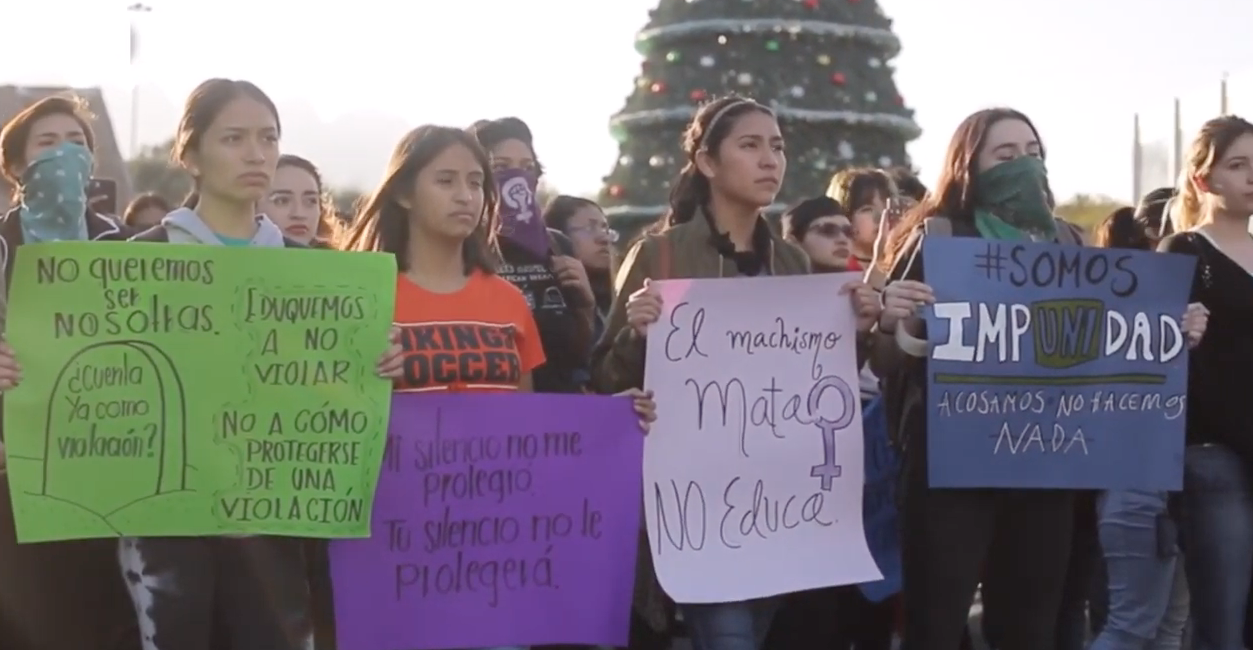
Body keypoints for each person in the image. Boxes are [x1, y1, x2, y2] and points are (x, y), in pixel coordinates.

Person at [872, 107, 1203, 650]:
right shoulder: (940, 238)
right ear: (968, 167)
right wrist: (891, 317)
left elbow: (1109, 341)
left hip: (1044, 466)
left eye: (1033, 153)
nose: (1024, 166)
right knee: (935, 622)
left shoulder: (1070, 246)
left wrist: (1172, 328)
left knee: (1028, 628)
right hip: (949, 466)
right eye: (1005, 155)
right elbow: (889, 360)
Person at [337, 124, 654, 650]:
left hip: (494, 553)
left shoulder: (507, 301)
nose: (466, 196)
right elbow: (332, 422)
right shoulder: (365, 297)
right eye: (445, 180)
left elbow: (524, 428)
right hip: (399, 552)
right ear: (402, 192)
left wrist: (608, 421)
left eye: (475, 182)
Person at [113, 78, 401, 650]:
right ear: (189, 155)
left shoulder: (319, 272)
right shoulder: (136, 262)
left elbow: (337, 397)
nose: (256, 154)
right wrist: (27, 369)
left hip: (276, 521)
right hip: (165, 525)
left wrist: (378, 363)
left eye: (268, 138)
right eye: (234, 138)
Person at [592, 95, 880, 650]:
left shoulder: (793, 263)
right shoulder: (660, 256)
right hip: (696, 513)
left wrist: (859, 331)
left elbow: (819, 389)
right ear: (706, 161)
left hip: (780, 506)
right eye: (750, 146)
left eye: (777, 147)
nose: (770, 160)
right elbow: (605, 378)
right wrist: (636, 334)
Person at [0, 93, 137, 650]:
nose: (65, 154)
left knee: (102, 616)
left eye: (77, 143)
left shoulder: (128, 247)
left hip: (110, 471)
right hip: (15, 475)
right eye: (48, 144)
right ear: (15, 167)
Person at [1158, 115, 1253, 650]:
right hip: (1214, 453)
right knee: (1221, 622)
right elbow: (1157, 354)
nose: (1251, 177)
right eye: (1238, 165)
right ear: (1203, 179)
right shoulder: (1184, 251)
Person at [1081, 201, 1190, 650]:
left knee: (1168, 624)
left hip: (1172, 486)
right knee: (1133, 625)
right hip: (1139, 485)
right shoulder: (1117, 313)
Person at [470, 118, 596, 394]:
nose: (517, 178)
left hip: (558, 418)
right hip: (487, 418)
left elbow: (584, 356)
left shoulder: (557, 244)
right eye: (500, 168)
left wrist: (586, 303)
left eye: (527, 168)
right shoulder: (462, 249)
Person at [543, 195, 618, 348]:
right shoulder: (547, 298)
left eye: (605, 228)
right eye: (590, 228)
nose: (604, 238)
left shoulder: (620, 293)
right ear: (558, 235)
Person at [826, 167, 898, 272]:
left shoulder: (908, 266)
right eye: (867, 209)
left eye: (888, 206)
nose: (882, 216)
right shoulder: (833, 272)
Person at [257, 154, 334, 246]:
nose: (299, 214)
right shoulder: (237, 258)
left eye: (310, 201)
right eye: (282, 201)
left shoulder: (339, 260)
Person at [781, 196, 854, 272]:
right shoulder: (774, 281)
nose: (843, 240)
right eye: (828, 231)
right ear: (793, 241)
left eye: (849, 232)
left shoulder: (863, 281)